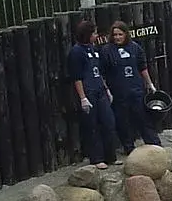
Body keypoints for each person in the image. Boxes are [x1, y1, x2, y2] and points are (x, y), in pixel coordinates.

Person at [67, 20, 117, 169]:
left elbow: (99, 71)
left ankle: (110, 156)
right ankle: (97, 158)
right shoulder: (76, 52)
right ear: (87, 34)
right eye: (94, 33)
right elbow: (77, 77)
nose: (96, 35)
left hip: (100, 90)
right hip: (88, 92)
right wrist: (83, 98)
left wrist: (107, 89)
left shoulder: (94, 49)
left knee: (109, 122)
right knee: (92, 126)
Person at [105, 21, 160, 153]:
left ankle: (154, 144)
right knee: (123, 122)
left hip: (136, 90)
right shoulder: (107, 50)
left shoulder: (135, 47)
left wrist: (150, 84)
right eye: (115, 35)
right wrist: (107, 90)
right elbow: (103, 73)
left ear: (126, 34)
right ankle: (128, 147)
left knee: (143, 118)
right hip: (118, 92)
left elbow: (142, 67)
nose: (117, 37)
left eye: (120, 34)